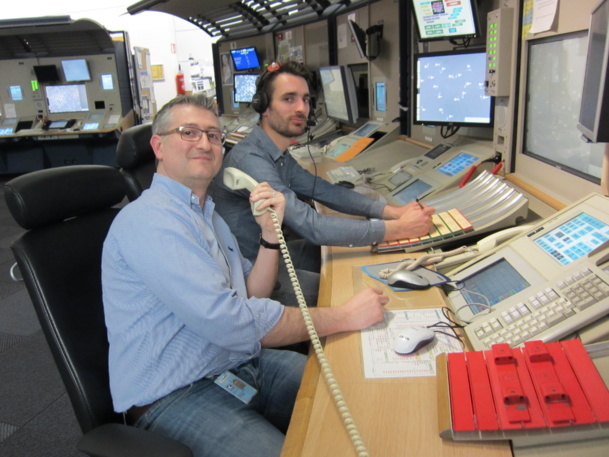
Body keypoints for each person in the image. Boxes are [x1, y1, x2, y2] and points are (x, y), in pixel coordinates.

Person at [101, 94, 388, 457]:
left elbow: (252, 294)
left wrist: (270, 235)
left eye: (213, 135)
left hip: (236, 362)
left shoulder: (207, 216)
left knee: (360, 395)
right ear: (158, 145)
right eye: (189, 133)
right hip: (176, 392)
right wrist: (345, 316)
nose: (204, 143)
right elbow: (233, 323)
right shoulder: (151, 221)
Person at [209, 61, 436, 285]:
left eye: (306, 100)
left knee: (343, 257)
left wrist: (392, 212)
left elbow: (322, 189)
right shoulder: (251, 158)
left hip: (273, 254)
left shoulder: (277, 153)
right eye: (289, 99)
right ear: (264, 107)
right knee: (350, 287)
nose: (301, 108)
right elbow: (313, 226)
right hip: (252, 274)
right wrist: (399, 228)